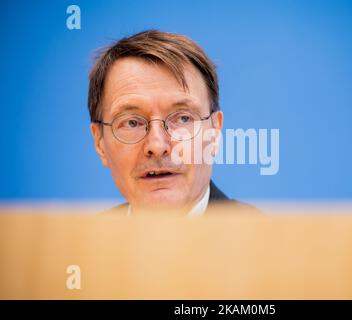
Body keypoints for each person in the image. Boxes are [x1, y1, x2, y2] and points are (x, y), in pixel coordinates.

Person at [88, 30, 258, 215]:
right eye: (132, 123)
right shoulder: (80, 241)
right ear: (99, 142)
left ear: (215, 132)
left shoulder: (267, 239)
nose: (157, 146)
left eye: (183, 118)